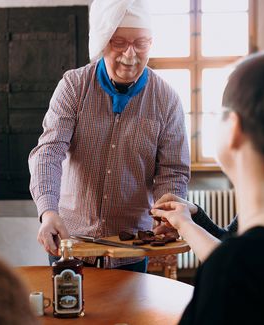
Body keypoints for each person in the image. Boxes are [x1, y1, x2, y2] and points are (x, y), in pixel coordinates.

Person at [151, 50, 264, 324]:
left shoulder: (229, 272)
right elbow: (235, 243)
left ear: (234, 129)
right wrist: (190, 218)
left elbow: (242, 256)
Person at [28, 0, 190, 271]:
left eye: (141, 43)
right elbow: (49, 151)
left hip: (132, 246)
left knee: (130, 315)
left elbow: (172, 171)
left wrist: (167, 216)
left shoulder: (167, 99)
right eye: (119, 43)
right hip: (71, 242)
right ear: (102, 42)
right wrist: (48, 211)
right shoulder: (74, 86)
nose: (130, 55)